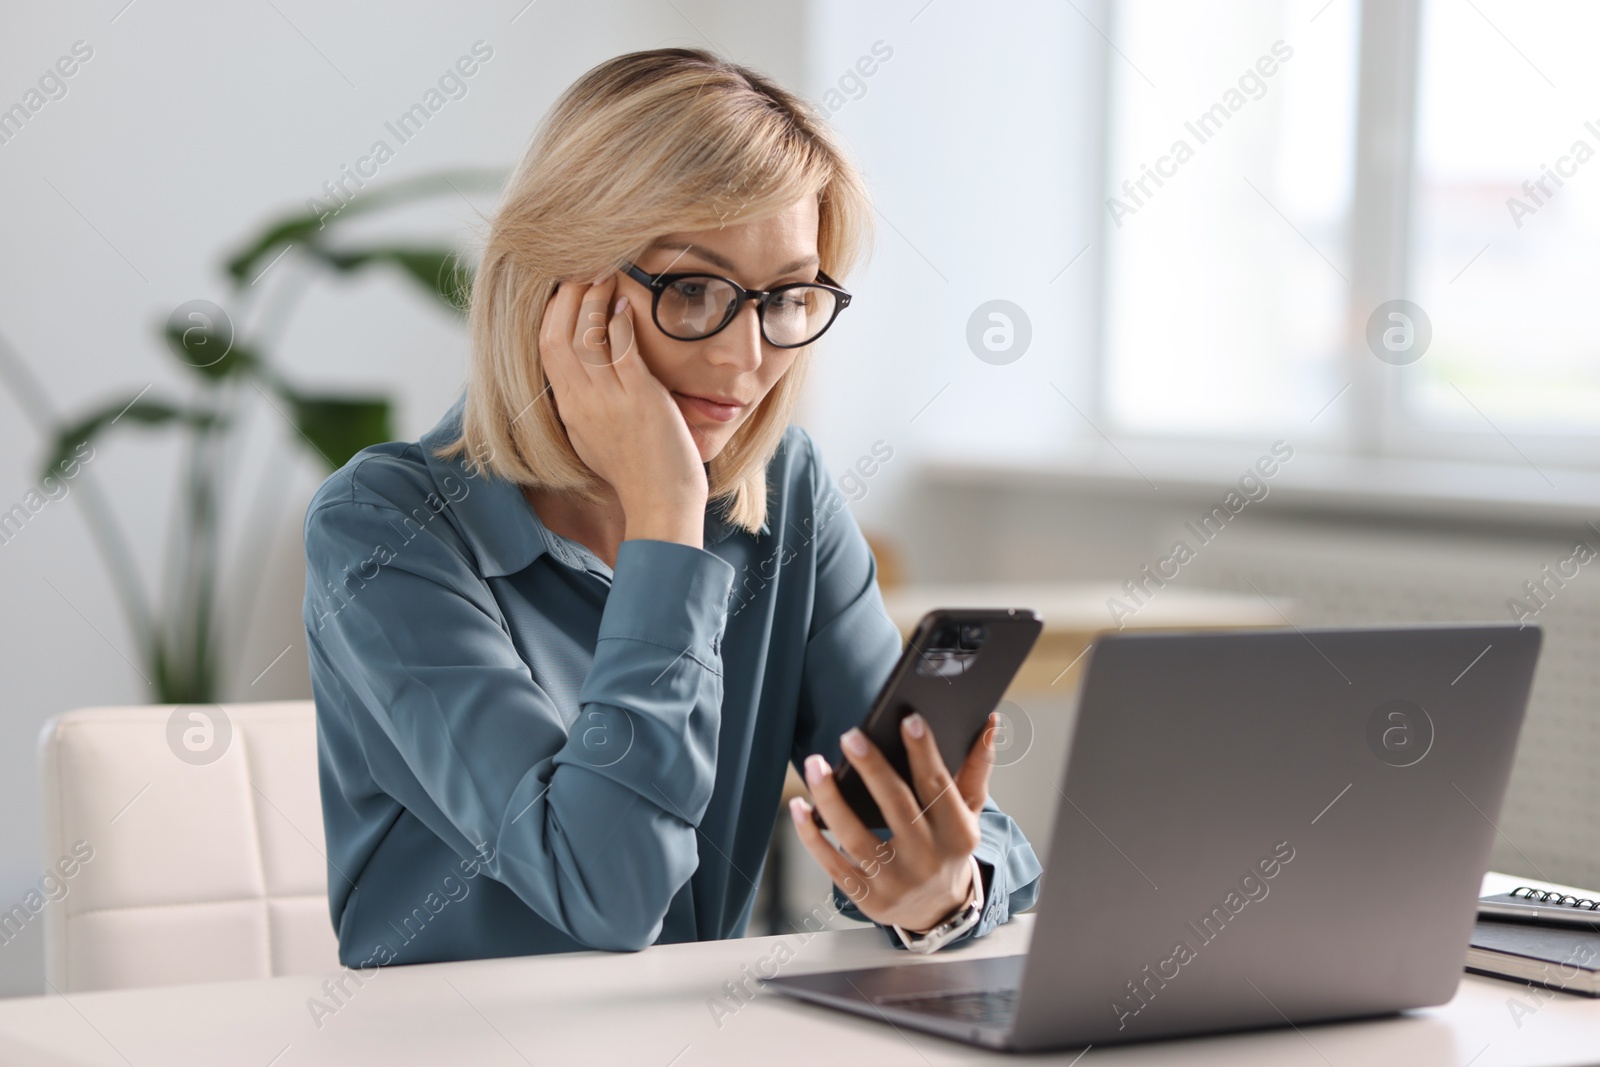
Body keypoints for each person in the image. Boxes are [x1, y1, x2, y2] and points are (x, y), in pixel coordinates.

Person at [303, 47, 1041, 969]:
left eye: (786, 298)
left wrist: (941, 892)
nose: (745, 358)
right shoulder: (381, 527)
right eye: (694, 290)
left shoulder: (786, 488)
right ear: (555, 283)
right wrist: (666, 522)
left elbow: (975, 837)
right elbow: (606, 893)